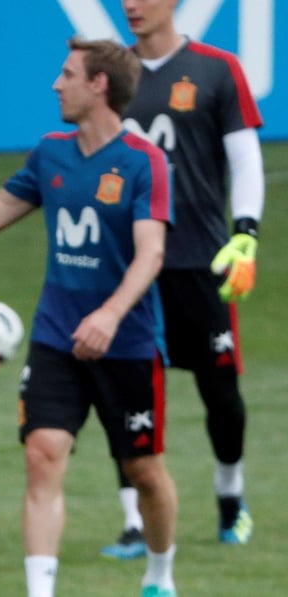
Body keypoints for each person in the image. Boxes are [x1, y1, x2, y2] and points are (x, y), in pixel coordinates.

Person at [0, 38, 180, 597]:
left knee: (144, 471)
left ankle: (160, 577)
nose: (56, 84)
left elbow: (151, 254)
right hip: (56, 339)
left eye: (67, 74)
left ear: (99, 85)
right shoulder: (51, 153)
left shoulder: (144, 162)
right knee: (42, 455)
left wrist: (109, 315)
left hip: (127, 343)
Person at [98, 0, 264, 560]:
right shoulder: (113, 74)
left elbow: (245, 159)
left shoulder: (217, 69)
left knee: (221, 391)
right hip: (129, 268)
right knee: (132, 392)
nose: (131, 5)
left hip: (200, 261)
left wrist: (246, 233)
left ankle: (230, 497)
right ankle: (134, 523)